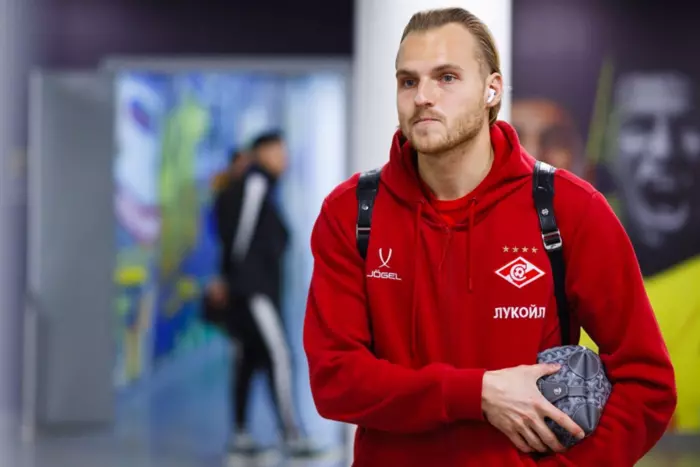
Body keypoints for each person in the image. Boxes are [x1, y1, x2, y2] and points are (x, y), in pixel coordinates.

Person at [303, 8, 676, 466]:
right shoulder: (351, 212)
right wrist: (478, 392)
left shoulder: (569, 209)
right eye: (408, 81)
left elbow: (648, 382)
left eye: (446, 77)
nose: (423, 97)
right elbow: (335, 380)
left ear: (491, 89)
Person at [208, 130, 318, 460]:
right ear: (263, 152)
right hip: (253, 290)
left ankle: (241, 435)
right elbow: (240, 237)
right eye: (279, 152)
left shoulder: (263, 186)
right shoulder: (256, 183)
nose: (284, 159)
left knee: (247, 358)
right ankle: (291, 435)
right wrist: (231, 278)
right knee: (279, 356)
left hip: (251, 287)